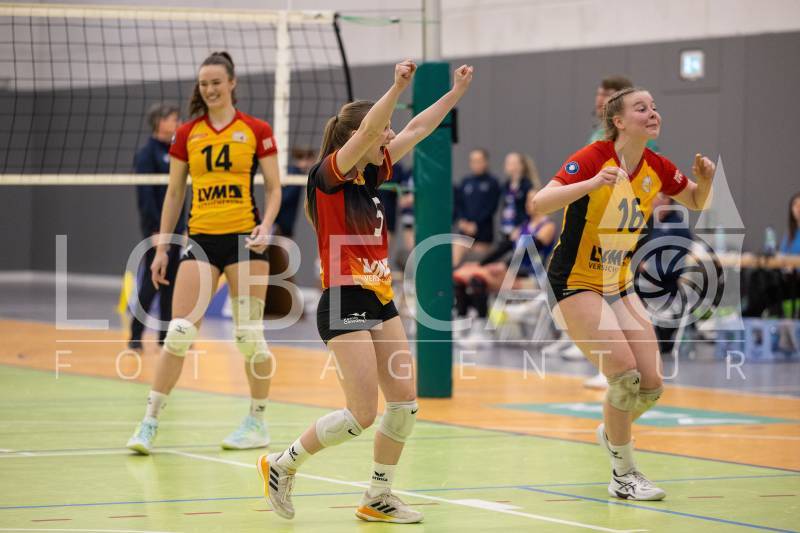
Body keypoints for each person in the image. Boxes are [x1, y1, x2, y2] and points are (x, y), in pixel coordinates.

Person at [257, 60, 474, 523]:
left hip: (379, 299)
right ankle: (282, 463)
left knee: (404, 405)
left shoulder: (370, 175)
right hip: (344, 300)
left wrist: (454, 95)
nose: (389, 136)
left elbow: (417, 129)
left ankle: (378, 495)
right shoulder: (329, 174)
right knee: (360, 414)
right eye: (382, 131)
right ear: (359, 136)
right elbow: (375, 127)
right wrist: (395, 88)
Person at [533, 86, 715, 500]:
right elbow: (541, 203)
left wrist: (705, 183)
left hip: (619, 282)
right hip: (575, 281)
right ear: (618, 121)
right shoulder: (593, 157)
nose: (652, 113)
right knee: (625, 376)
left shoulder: (656, 166)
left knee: (650, 385)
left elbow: (695, 200)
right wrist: (591, 182)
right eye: (641, 108)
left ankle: (613, 431)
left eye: (654, 107)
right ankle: (623, 475)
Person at [126, 51, 282, 454]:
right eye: (204, 84)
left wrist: (267, 224)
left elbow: (274, 188)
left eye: (216, 82)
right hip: (199, 241)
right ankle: (148, 423)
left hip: (245, 241)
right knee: (179, 332)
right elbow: (174, 193)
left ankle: (257, 421)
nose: (210, 89)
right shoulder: (187, 134)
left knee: (249, 337)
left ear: (232, 83)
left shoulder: (256, 130)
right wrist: (163, 247)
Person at [583, 75, 658, 389]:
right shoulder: (596, 138)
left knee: (618, 295)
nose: (599, 98)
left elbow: (650, 186)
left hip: (625, 225)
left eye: (607, 94)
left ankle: (623, 363)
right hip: (597, 225)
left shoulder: (641, 140)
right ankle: (610, 362)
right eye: (599, 93)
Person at [454, 188, 555, 343]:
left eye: (532, 200)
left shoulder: (547, 227)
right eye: (527, 200)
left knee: (477, 280)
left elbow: (528, 252)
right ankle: (464, 323)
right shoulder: (522, 227)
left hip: (531, 277)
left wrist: (505, 265)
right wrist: (481, 264)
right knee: (462, 279)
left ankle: (482, 330)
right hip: (512, 272)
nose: (528, 204)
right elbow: (502, 249)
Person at [129, 103, 184, 350]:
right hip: (157, 230)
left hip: (176, 229)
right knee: (152, 284)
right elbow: (145, 196)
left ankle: (164, 336)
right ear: (159, 122)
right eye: (173, 119)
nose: (177, 123)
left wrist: (182, 228)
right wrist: (154, 229)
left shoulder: (176, 151)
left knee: (171, 283)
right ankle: (135, 335)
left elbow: (179, 193)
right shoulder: (146, 154)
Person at [453, 148, 501, 265]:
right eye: (473, 161)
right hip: (465, 231)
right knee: (456, 249)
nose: (476, 164)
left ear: (486, 162)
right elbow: (459, 204)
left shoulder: (492, 183)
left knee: (477, 262)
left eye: (479, 161)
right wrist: (463, 221)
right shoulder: (465, 182)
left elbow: (491, 207)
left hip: (483, 232)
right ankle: (452, 273)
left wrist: (476, 225)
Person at [274, 147, 315, 238]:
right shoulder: (294, 173)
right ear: (306, 159)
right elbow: (283, 199)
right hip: (281, 226)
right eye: (312, 160)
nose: (313, 163)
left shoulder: (293, 172)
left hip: (283, 225)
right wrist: (277, 225)